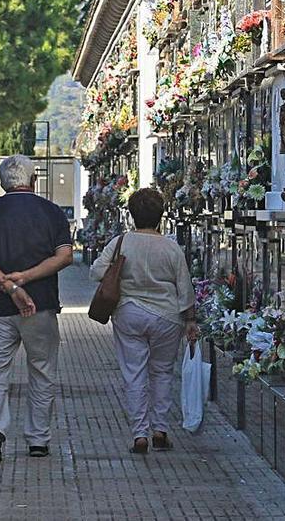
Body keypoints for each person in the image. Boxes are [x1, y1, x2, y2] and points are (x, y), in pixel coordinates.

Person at [0, 155, 74, 463]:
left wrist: (9, 285)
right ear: (34, 181)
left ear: (3, 183)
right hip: (40, 305)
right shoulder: (52, 213)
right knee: (42, 370)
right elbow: (65, 256)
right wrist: (25, 280)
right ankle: (38, 439)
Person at [90, 188, 197, 454]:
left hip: (129, 313)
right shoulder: (172, 247)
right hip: (167, 317)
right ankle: (160, 429)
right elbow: (184, 288)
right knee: (162, 372)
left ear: (132, 215)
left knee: (134, 374)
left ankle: (139, 434)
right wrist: (191, 321)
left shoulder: (121, 243)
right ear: (160, 216)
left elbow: (96, 272)